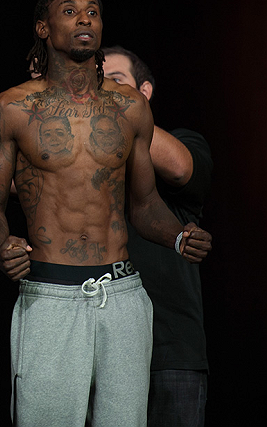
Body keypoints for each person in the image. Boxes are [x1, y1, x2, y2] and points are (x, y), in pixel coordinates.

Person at [0, 0, 212, 426]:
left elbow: (145, 206)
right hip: (51, 296)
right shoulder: (11, 108)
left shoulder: (130, 108)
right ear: (43, 28)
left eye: (93, 12)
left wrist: (178, 236)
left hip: (123, 296)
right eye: (70, 11)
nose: (84, 18)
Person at [102, 45, 212, 426]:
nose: (101, 90)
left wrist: (106, 103)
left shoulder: (183, 139)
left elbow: (181, 169)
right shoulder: (82, 158)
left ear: (144, 91)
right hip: (104, 348)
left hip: (171, 351)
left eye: (115, 81)